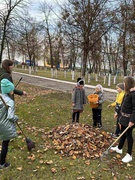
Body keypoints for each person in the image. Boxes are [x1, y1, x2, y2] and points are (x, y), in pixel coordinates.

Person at [111, 76, 135, 163]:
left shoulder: (133, 94)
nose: (123, 84)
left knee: (128, 135)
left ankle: (129, 155)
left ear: (128, 84)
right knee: (122, 133)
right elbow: (122, 105)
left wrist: (132, 121)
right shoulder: (127, 93)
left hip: (130, 119)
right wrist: (117, 112)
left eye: (124, 83)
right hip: (123, 117)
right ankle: (119, 148)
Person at [0, 79, 19, 169]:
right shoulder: (10, 102)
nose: (13, 91)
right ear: (8, 90)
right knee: (5, 143)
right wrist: (16, 118)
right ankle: (2, 163)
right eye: (12, 89)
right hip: (4, 126)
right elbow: (10, 117)